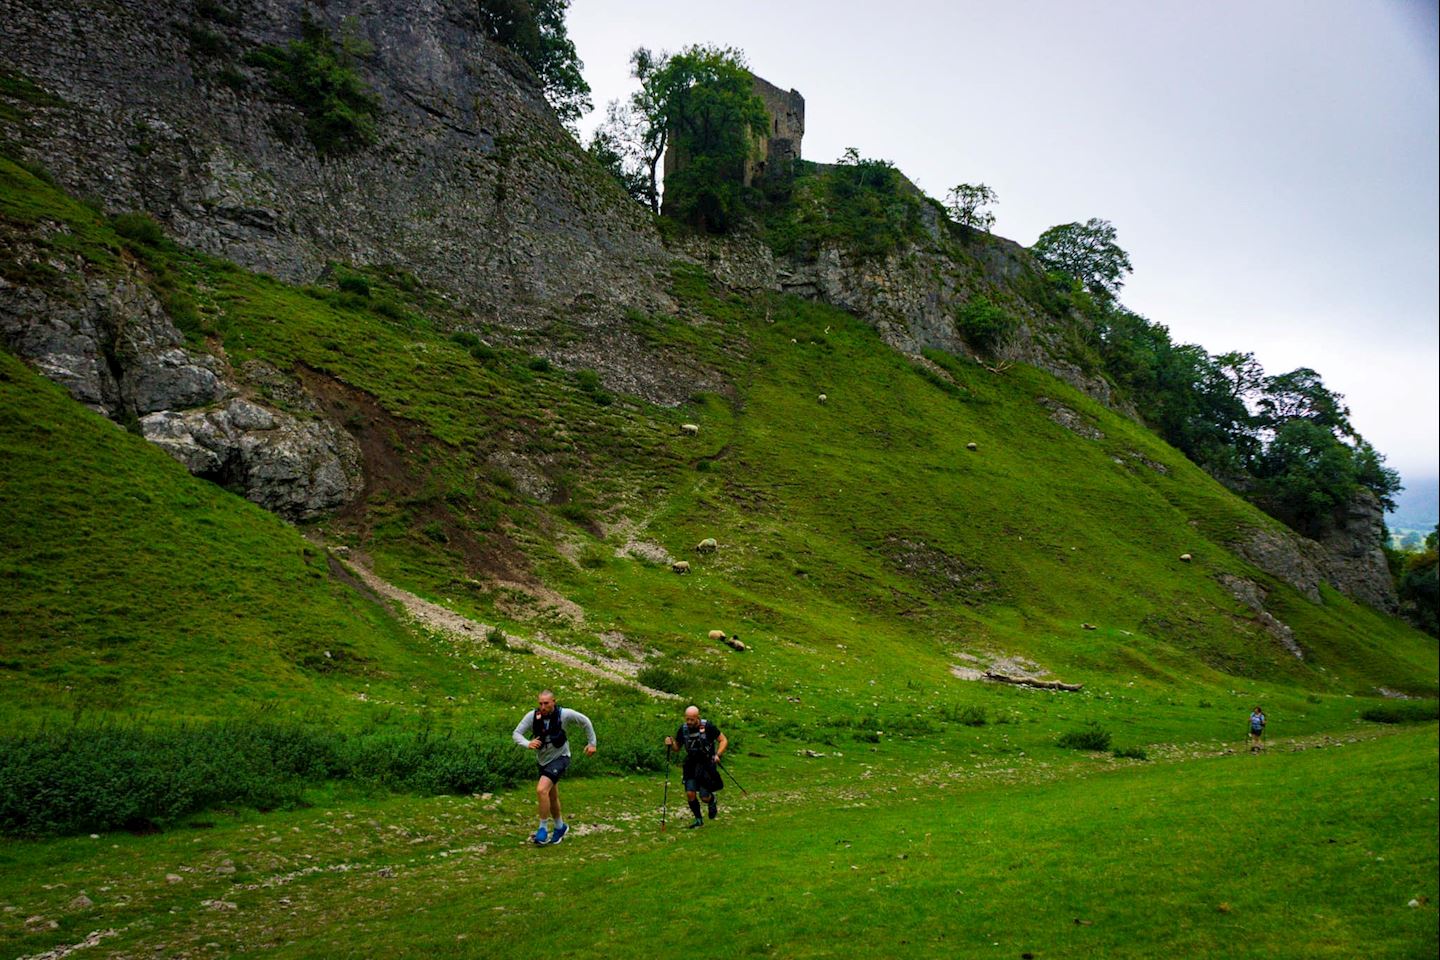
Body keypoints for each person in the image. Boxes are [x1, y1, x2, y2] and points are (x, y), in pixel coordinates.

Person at [512, 689, 596, 845]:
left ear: (553, 702)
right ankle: (560, 827)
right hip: (543, 760)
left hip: (561, 758)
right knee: (551, 795)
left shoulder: (565, 714)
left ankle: (542, 829)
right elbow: (516, 733)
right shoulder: (532, 716)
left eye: (546, 703)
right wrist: (527, 743)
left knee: (541, 789)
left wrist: (592, 743)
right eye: (540, 703)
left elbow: (586, 721)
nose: (543, 707)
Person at [664, 705, 727, 829]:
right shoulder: (683, 729)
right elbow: (677, 748)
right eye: (687, 719)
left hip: (706, 764)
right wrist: (671, 743)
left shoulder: (708, 726)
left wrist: (718, 754)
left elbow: (723, 740)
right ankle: (698, 820)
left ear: (697, 717)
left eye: (692, 720)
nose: (689, 722)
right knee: (690, 793)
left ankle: (711, 800)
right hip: (691, 764)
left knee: (704, 796)